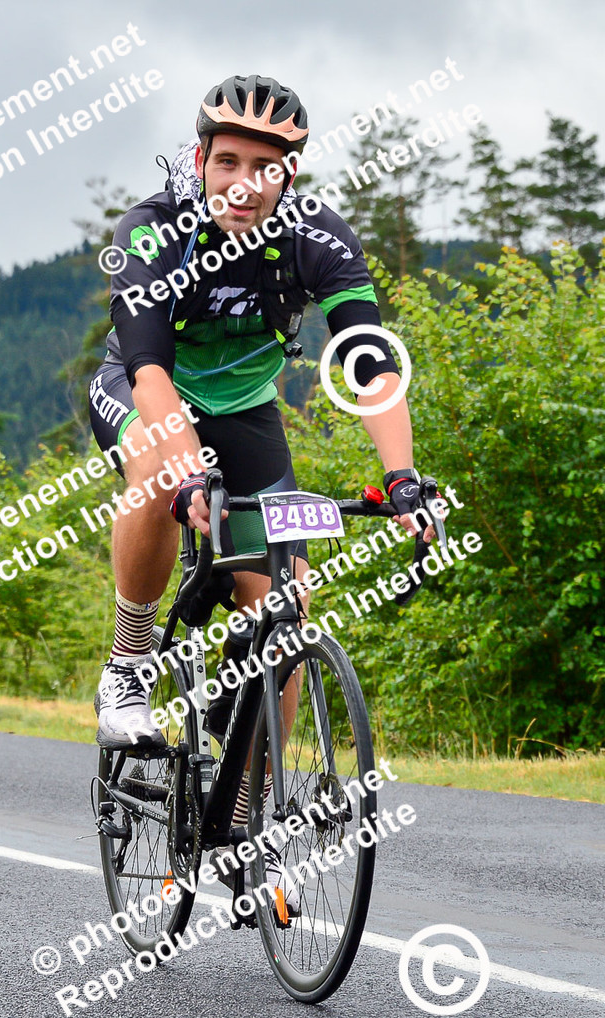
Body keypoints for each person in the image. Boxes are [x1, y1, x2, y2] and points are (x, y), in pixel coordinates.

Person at [86, 73, 438, 775]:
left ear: (289, 175)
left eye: (265, 168)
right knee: (157, 467)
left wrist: (402, 476)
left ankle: (251, 814)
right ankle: (128, 666)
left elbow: (371, 364)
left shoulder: (318, 237)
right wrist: (187, 472)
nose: (244, 185)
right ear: (199, 161)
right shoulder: (152, 231)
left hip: (247, 414)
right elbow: (150, 371)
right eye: (227, 162)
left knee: (287, 619)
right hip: (148, 392)